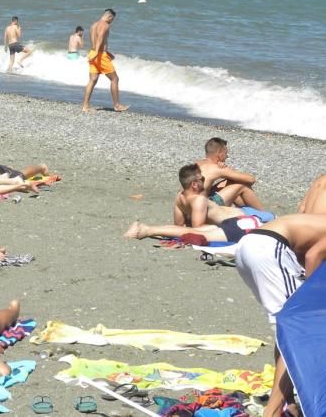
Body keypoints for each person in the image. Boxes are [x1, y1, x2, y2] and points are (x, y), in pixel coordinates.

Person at [235, 214, 326, 417]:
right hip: (269, 247)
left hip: (249, 246)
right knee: (300, 333)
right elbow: (313, 256)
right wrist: (311, 297)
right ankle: (273, 411)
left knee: (286, 333)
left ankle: (287, 403)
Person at [125, 164, 264, 244]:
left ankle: (147, 229)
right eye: (202, 179)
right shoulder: (199, 200)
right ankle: (145, 229)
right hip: (244, 219)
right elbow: (196, 229)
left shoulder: (179, 197)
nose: (205, 180)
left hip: (247, 216)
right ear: (194, 184)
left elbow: (179, 225)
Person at [81, 8, 128, 112]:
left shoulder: (93, 25)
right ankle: (117, 105)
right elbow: (100, 39)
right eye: (112, 20)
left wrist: (104, 52)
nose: (111, 22)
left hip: (92, 53)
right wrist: (99, 53)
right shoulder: (105, 25)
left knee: (92, 80)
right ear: (110, 17)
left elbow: (95, 41)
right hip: (99, 55)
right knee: (115, 79)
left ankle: (85, 106)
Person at [196, 137, 263, 209]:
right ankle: (265, 215)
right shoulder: (217, 168)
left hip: (190, 203)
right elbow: (251, 180)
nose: (227, 156)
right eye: (225, 153)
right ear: (219, 154)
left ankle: (247, 209)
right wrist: (227, 170)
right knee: (241, 185)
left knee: (228, 182)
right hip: (201, 207)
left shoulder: (197, 163)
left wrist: (227, 175)